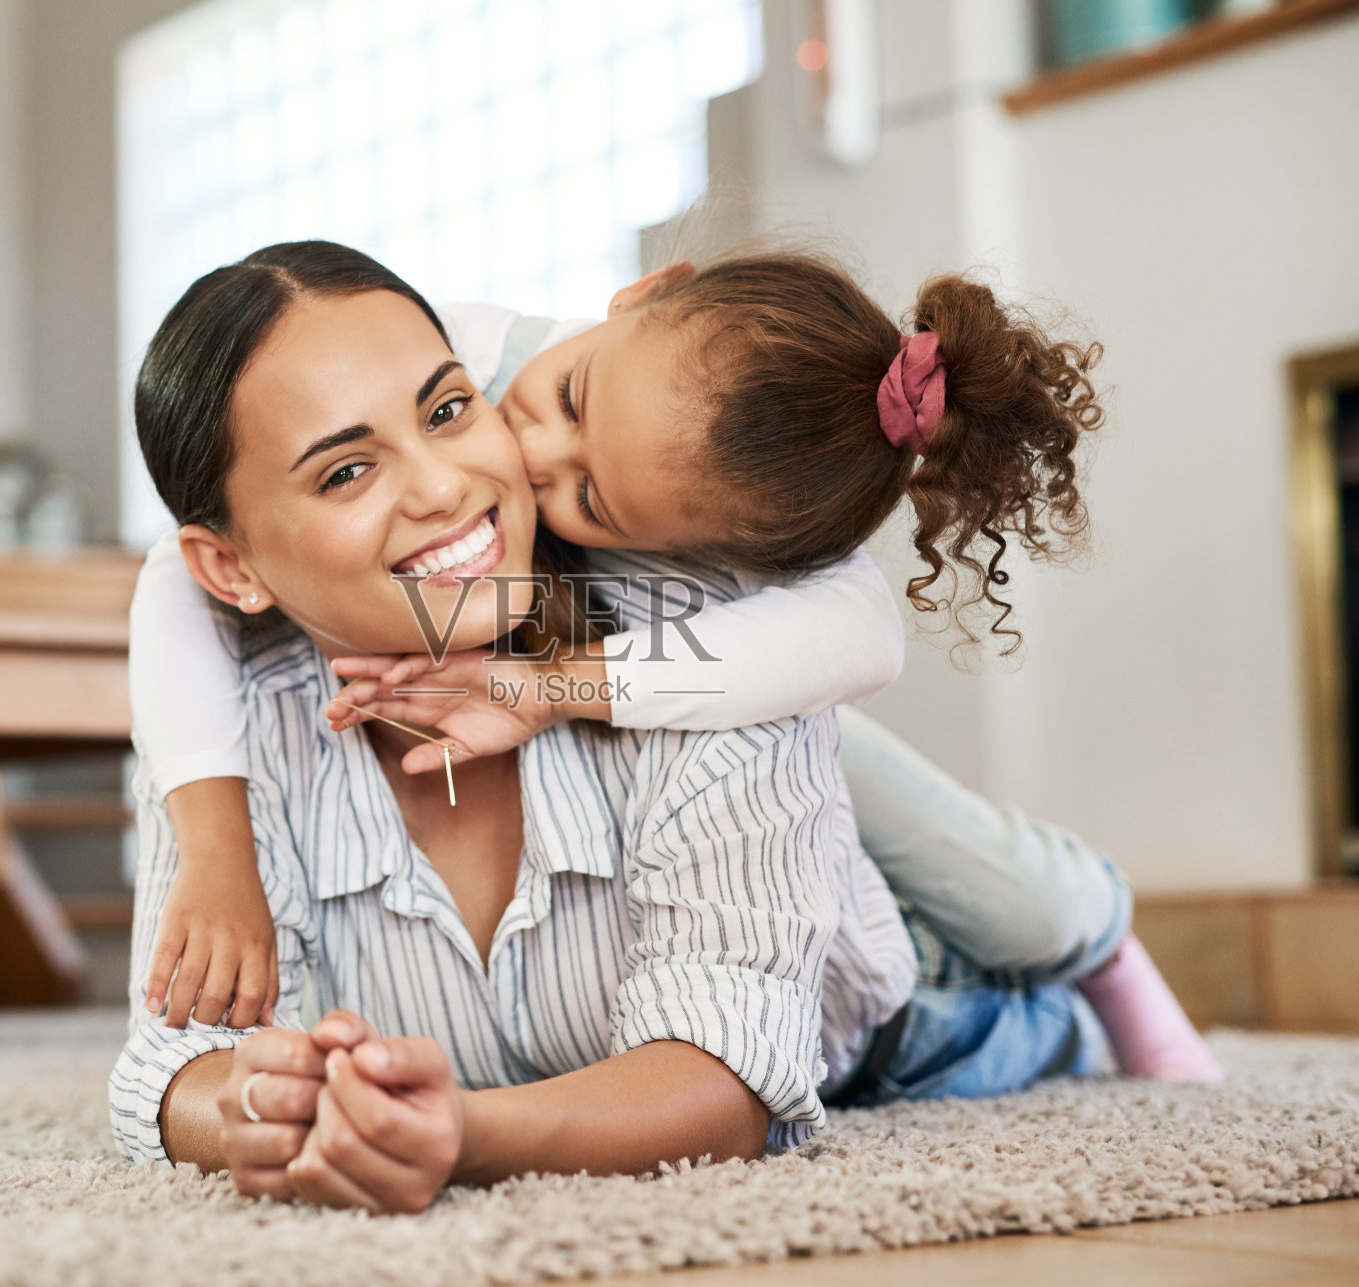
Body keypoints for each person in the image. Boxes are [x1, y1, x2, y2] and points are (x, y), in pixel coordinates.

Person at [110, 241, 1117, 1213]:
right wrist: (260, 1110)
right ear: (230, 570)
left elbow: (731, 1074)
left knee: (1020, 960)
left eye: (451, 410)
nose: (447, 486)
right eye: (345, 474)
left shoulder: (722, 627)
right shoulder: (215, 723)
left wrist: (464, 1133)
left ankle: (1086, 969)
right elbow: (174, 1069)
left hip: (862, 1007)